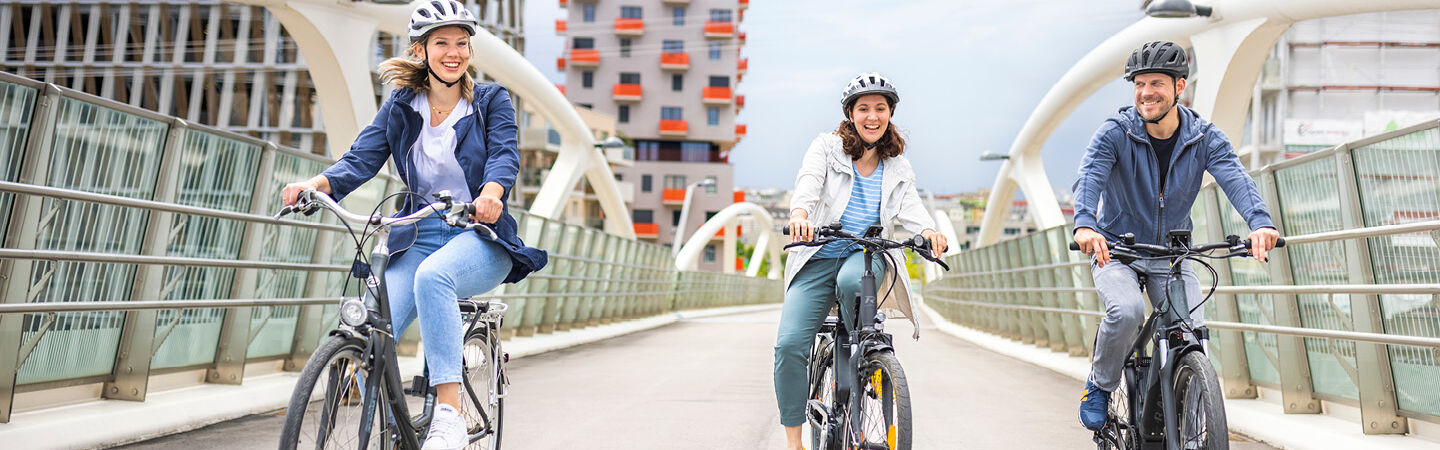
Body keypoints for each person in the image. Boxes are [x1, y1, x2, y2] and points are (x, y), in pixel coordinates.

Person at [279, 1, 546, 448]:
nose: (454, 52)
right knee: (368, 325)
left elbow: (504, 155)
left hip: (477, 235)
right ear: (421, 51)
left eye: (462, 43)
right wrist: (317, 183)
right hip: (417, 234)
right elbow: (361, 157)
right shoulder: (402, 105)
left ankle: (449, 413)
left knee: (433, 278)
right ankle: (392, 429)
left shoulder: (489, 102)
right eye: (442, 43)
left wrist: (492, 194)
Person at [1071, 41, 1280, 431]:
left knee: (1192, 336)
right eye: (1139, 84)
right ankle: (1100, 384)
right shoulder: (1115, 133)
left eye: (1156, 84)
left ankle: (1191, 416)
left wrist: (1260, 222)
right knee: (1128, 311)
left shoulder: (1203, 137)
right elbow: (1089, 178)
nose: (1146, 92)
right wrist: (1085, 223)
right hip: (1118, 250)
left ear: (1179, 87)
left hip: (1173, 255)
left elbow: (1235, 177)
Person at [776, 72, 947, 450]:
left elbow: (911, 205)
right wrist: (801, 214)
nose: (873, 116)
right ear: (850, 114)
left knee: (854, 282)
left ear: (890, 114)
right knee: (789, 346)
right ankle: (793, 441)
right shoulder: (826, 147)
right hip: (819, 255)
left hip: (866, 255)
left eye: (880, 109)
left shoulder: (896, 162)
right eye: (864, 108)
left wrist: (931, 231)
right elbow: (808, 181)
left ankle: (864, 356)